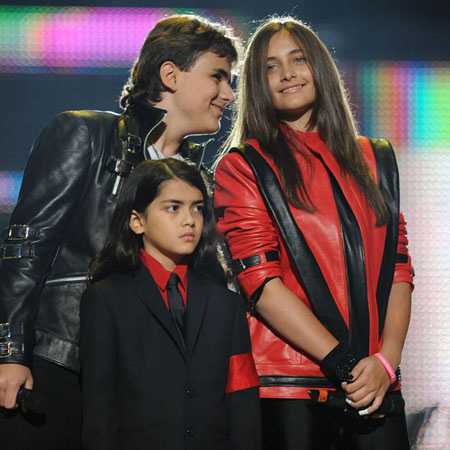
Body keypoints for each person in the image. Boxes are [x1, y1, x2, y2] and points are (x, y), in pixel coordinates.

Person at [0, 14, 239, 449]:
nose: (229, 94)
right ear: (171, 75)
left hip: (142, 386)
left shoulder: (198, 180)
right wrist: (10, 354)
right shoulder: (87, 134)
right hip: (60, 364)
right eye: (218, 77)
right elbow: (26, 249)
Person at [214, 16, 414, 450]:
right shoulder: (243, 166)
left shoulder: (375, 158)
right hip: (290, 388)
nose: (287, 73)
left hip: (377, 383)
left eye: (298, 59)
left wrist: (386, 362)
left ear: (319, 67)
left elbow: (398, 269)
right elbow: (260, 283)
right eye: (270, 66)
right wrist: (345, 365)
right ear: (257, 83)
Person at [80, 158, 261, 450]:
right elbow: (99, 409)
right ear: (137, 221)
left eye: (197, 208)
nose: (189, 220)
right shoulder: (106, 299)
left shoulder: (225, 303)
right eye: (173, 208)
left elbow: (242, 399)